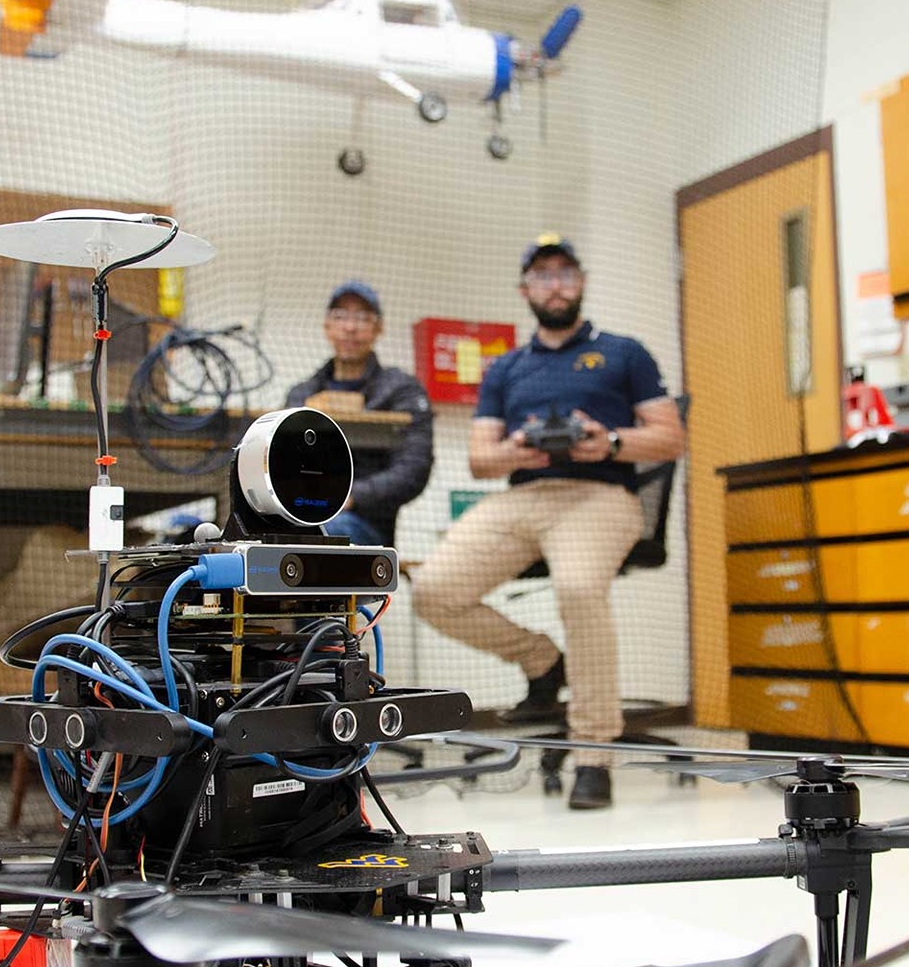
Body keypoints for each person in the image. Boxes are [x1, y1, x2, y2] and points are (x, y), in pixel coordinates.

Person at [413, 235, 684, 810]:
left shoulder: (624, 352)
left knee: (580, 589)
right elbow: (480, 458)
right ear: (525, 290)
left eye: (564, 273)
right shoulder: (506, 367)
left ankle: (593, 753)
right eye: (542, 276)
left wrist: (607, 440)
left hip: (599, 495)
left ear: (580, 282)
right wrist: (517, 450)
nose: (554, 284)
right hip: (523, 494)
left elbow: (669, 437)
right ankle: (541, 659)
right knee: (434, 590)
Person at [283, 281, 434, 547]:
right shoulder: (301, 395)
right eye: (340, 316)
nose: (350, 327)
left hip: (366, 526)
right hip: (303, 514)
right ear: (327, 326)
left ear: (379, 328)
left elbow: (413, 468)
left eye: (363, 318)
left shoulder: (402, 390)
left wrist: (350, 496)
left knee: (327, 531)